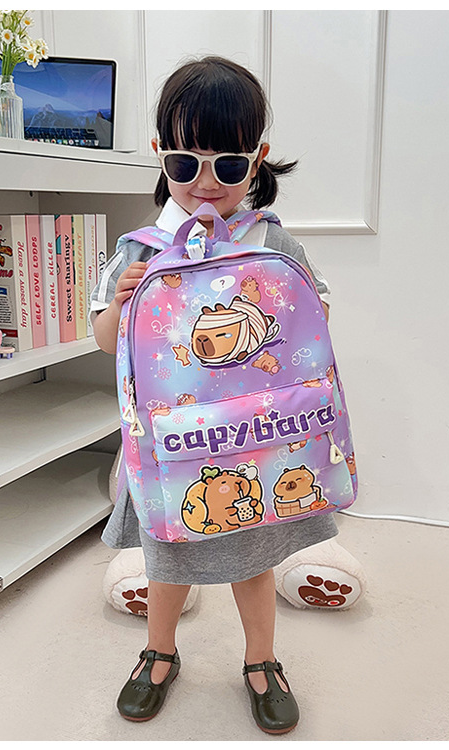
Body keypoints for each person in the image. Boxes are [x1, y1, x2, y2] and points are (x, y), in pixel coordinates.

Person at [90, 55, 338, 735]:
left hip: (254, 441)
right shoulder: (142, 248)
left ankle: (261, 661)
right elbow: (106, 341)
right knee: (167, 558)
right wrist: (124, 301)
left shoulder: (272, 239)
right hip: (171, 446)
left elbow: (313, 323)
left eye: (227, 166)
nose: (205, 183)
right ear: (159, 155)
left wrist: (283, 294)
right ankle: (159, 652)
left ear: (256, 160)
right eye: (184, 162)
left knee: (253, 561)